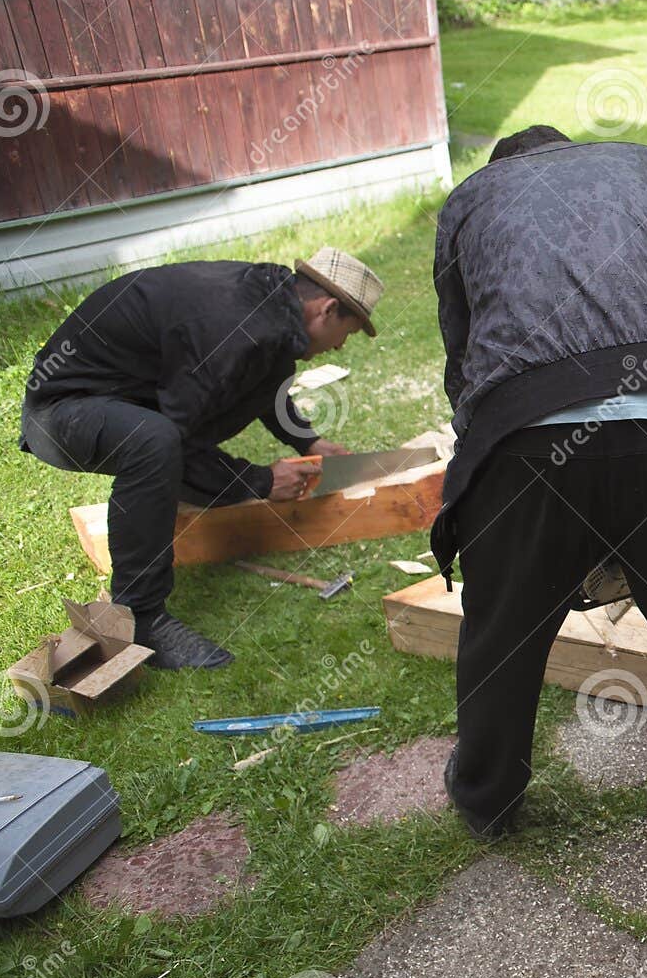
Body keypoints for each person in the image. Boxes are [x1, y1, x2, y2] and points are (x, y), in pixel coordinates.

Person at [431, 125, 647, 842]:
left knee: (502, 629)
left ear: (509, 170)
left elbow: (462, 363)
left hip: (523, 432)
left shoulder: (469, 198)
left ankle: (486, 796)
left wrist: (513, 498)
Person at [20, 247, 383, 669]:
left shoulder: (268, 306)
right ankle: (141, 617)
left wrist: (307, 442)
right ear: (327, 308)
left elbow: (263, 375)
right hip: (58, 413)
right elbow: (178, 443)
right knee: (154, 444)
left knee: (163, 441)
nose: (339, 347)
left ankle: (156, 521)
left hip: (122, 394)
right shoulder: (232, 326)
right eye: (348, 334)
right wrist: (261, 482)